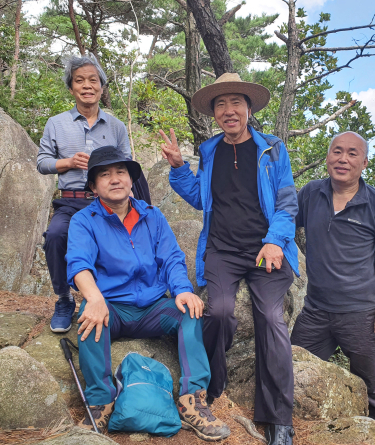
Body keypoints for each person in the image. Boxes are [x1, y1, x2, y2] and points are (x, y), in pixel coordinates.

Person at [159, 73, 299, 445]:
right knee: (218, 312)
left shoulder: (272, 149)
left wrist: (274, 241)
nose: (228, 110)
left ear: (249, 109)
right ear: (215, 114)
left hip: (265, 250)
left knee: (270, 318)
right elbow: (201, 198)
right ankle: (211, 391)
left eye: (236, 102)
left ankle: (279, 419)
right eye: (220, 105)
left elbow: (287, 202)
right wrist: (177, 167)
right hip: (222, 249)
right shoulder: (209, 150)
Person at [65, 146, 230, 440]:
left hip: (154, 307)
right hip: (112, 307)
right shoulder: (84, 221)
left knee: (191, 313)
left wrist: (182, 290)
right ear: (93, 185)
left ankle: (193, 402)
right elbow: (79, 264)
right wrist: (94, 298)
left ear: (130, 180)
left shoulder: (153, 217)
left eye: (121, 173)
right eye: (105, 175)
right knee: (88, 319)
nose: (114, 179)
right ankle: (101, 402)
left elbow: (172, 259)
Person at [290, 131, 375, 425]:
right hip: (316, 311)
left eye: (352, 154)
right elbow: (284, 226)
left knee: (372, 391)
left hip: (362, 315)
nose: (343, 159)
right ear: (327, 158)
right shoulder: (311, 193)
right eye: (337, 151)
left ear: (364, 163)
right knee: (290, 370)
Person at [36, 55, 150, 334]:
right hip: (71, 201)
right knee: (55, 236)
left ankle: (120, 298)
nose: (87, 86)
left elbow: (127, 169)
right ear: (71, 87)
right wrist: (68, 163)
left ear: (101, 86)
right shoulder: (56, 123)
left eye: (93, 80)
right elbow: (42, 163)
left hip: (108, 204)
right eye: (79, 80)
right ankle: (64, 299)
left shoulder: (116, 127)